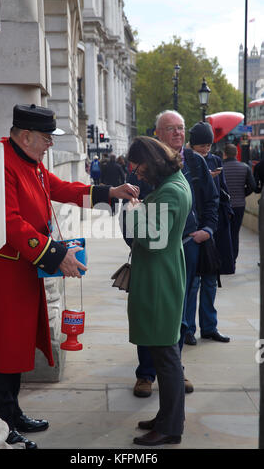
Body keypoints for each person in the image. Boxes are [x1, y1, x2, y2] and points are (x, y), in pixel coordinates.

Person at [0, 104, 139, 449]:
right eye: (46, 138)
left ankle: (11, 412)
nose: (50, 145)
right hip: (6, 273)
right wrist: (57, 254)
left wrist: (108, 193)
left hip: (24, 270)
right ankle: (0, 421)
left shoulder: (29, 160)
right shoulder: (2, 161)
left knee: (15, 348)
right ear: (25, 136)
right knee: (4, 349)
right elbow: (10, 222)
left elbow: (60, 188)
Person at [131, 110, 219, 399]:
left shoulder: (195, 162)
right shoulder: (144, 162)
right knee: (150, 312)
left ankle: (173, 369)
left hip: (186, 243)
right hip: (154, 247)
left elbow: (212, 197)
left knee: (177, 312)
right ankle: (146, 374)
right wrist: (133, 234)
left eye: (181, 128)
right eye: (171, 128)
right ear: (158, 134)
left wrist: (207, 228)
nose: (178, 133)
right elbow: (133, 203)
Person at [125, 136, 192, 446]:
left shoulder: (169, 193)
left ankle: (170, 426)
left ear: (152, 162)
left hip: (159, 277)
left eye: (139, 170)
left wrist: (133, 211)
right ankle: (167, 416)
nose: (138, 176)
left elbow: (153, 240)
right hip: (162, 272)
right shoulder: (173, 184)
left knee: (165, 354)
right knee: (163, 350)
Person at [184, 121, 233, 346]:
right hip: (192, 231)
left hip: (209, 230)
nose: (205, 149)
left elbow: (219, 195)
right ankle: (188, 329)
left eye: (208, 145)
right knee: (193, 283)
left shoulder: (214, 161)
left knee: (210, 280)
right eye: (201, 145)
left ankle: (209, 327)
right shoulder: (185, 162)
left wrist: (210, 229)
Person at [222, 144, 256, 264]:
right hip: (239, 205)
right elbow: (253, 186)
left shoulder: (221, 168)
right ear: (236, 154)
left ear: (224, 154)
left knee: (224, 233)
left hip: (224, 206)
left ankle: (224, 259)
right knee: (235, 233)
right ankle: (233, 260)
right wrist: (243, 194)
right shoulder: (245, 167)